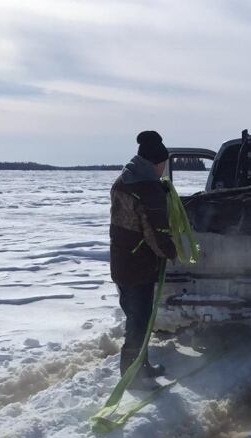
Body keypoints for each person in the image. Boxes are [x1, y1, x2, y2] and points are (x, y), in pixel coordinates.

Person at [110, 130, 177, 389]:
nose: (163, 170)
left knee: (136, 317)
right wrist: (171, 251)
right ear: (155, 163)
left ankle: (141, 366)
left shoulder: (124, 181)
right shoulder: (148, 190)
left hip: (122, 261)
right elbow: (155, 233)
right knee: (139, 321)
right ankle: (132, 374)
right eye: (163, 165)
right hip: (139, 265)